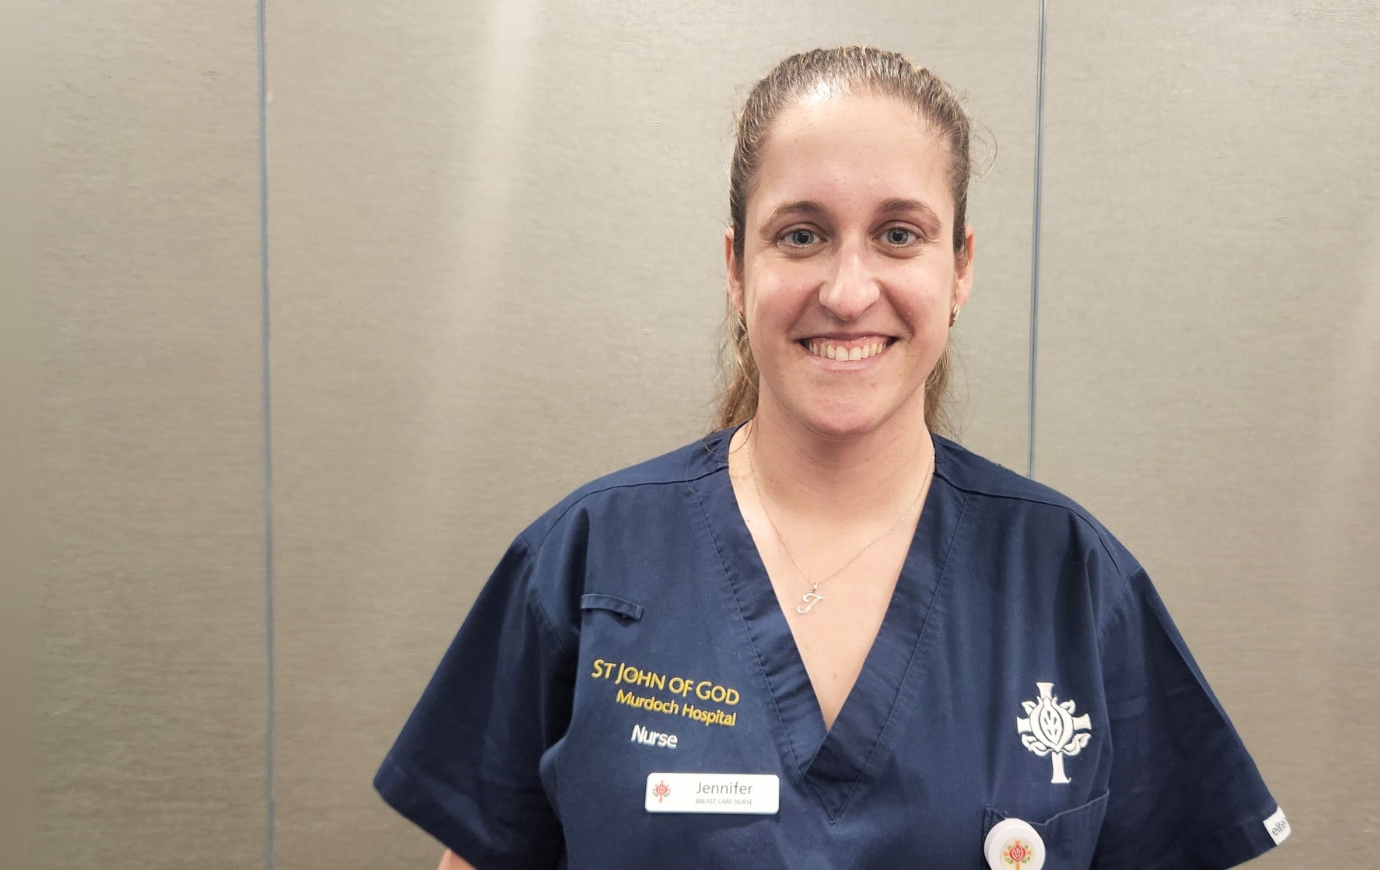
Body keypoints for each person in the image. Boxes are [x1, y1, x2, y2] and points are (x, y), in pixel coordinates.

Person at [375, 46, 1288, 869]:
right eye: (801, 234)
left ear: (959, 267)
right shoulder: (587, 560)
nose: (850, 292)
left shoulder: (1073, 584)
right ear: (737, 269)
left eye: (899, 234)